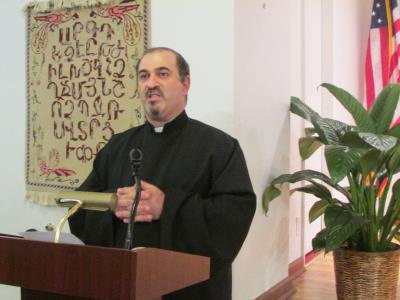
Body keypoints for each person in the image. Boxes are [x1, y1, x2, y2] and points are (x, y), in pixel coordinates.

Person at [69, 47, 256, 300]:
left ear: (185, 83)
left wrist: (167, 206)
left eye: (163, 74)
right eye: (144, 76)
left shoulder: (220, 147)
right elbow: (78, 205)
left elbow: (233, 216)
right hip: (121, 287)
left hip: (192, 291)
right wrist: (113, 203)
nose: (151, 83)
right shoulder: (118, 146)